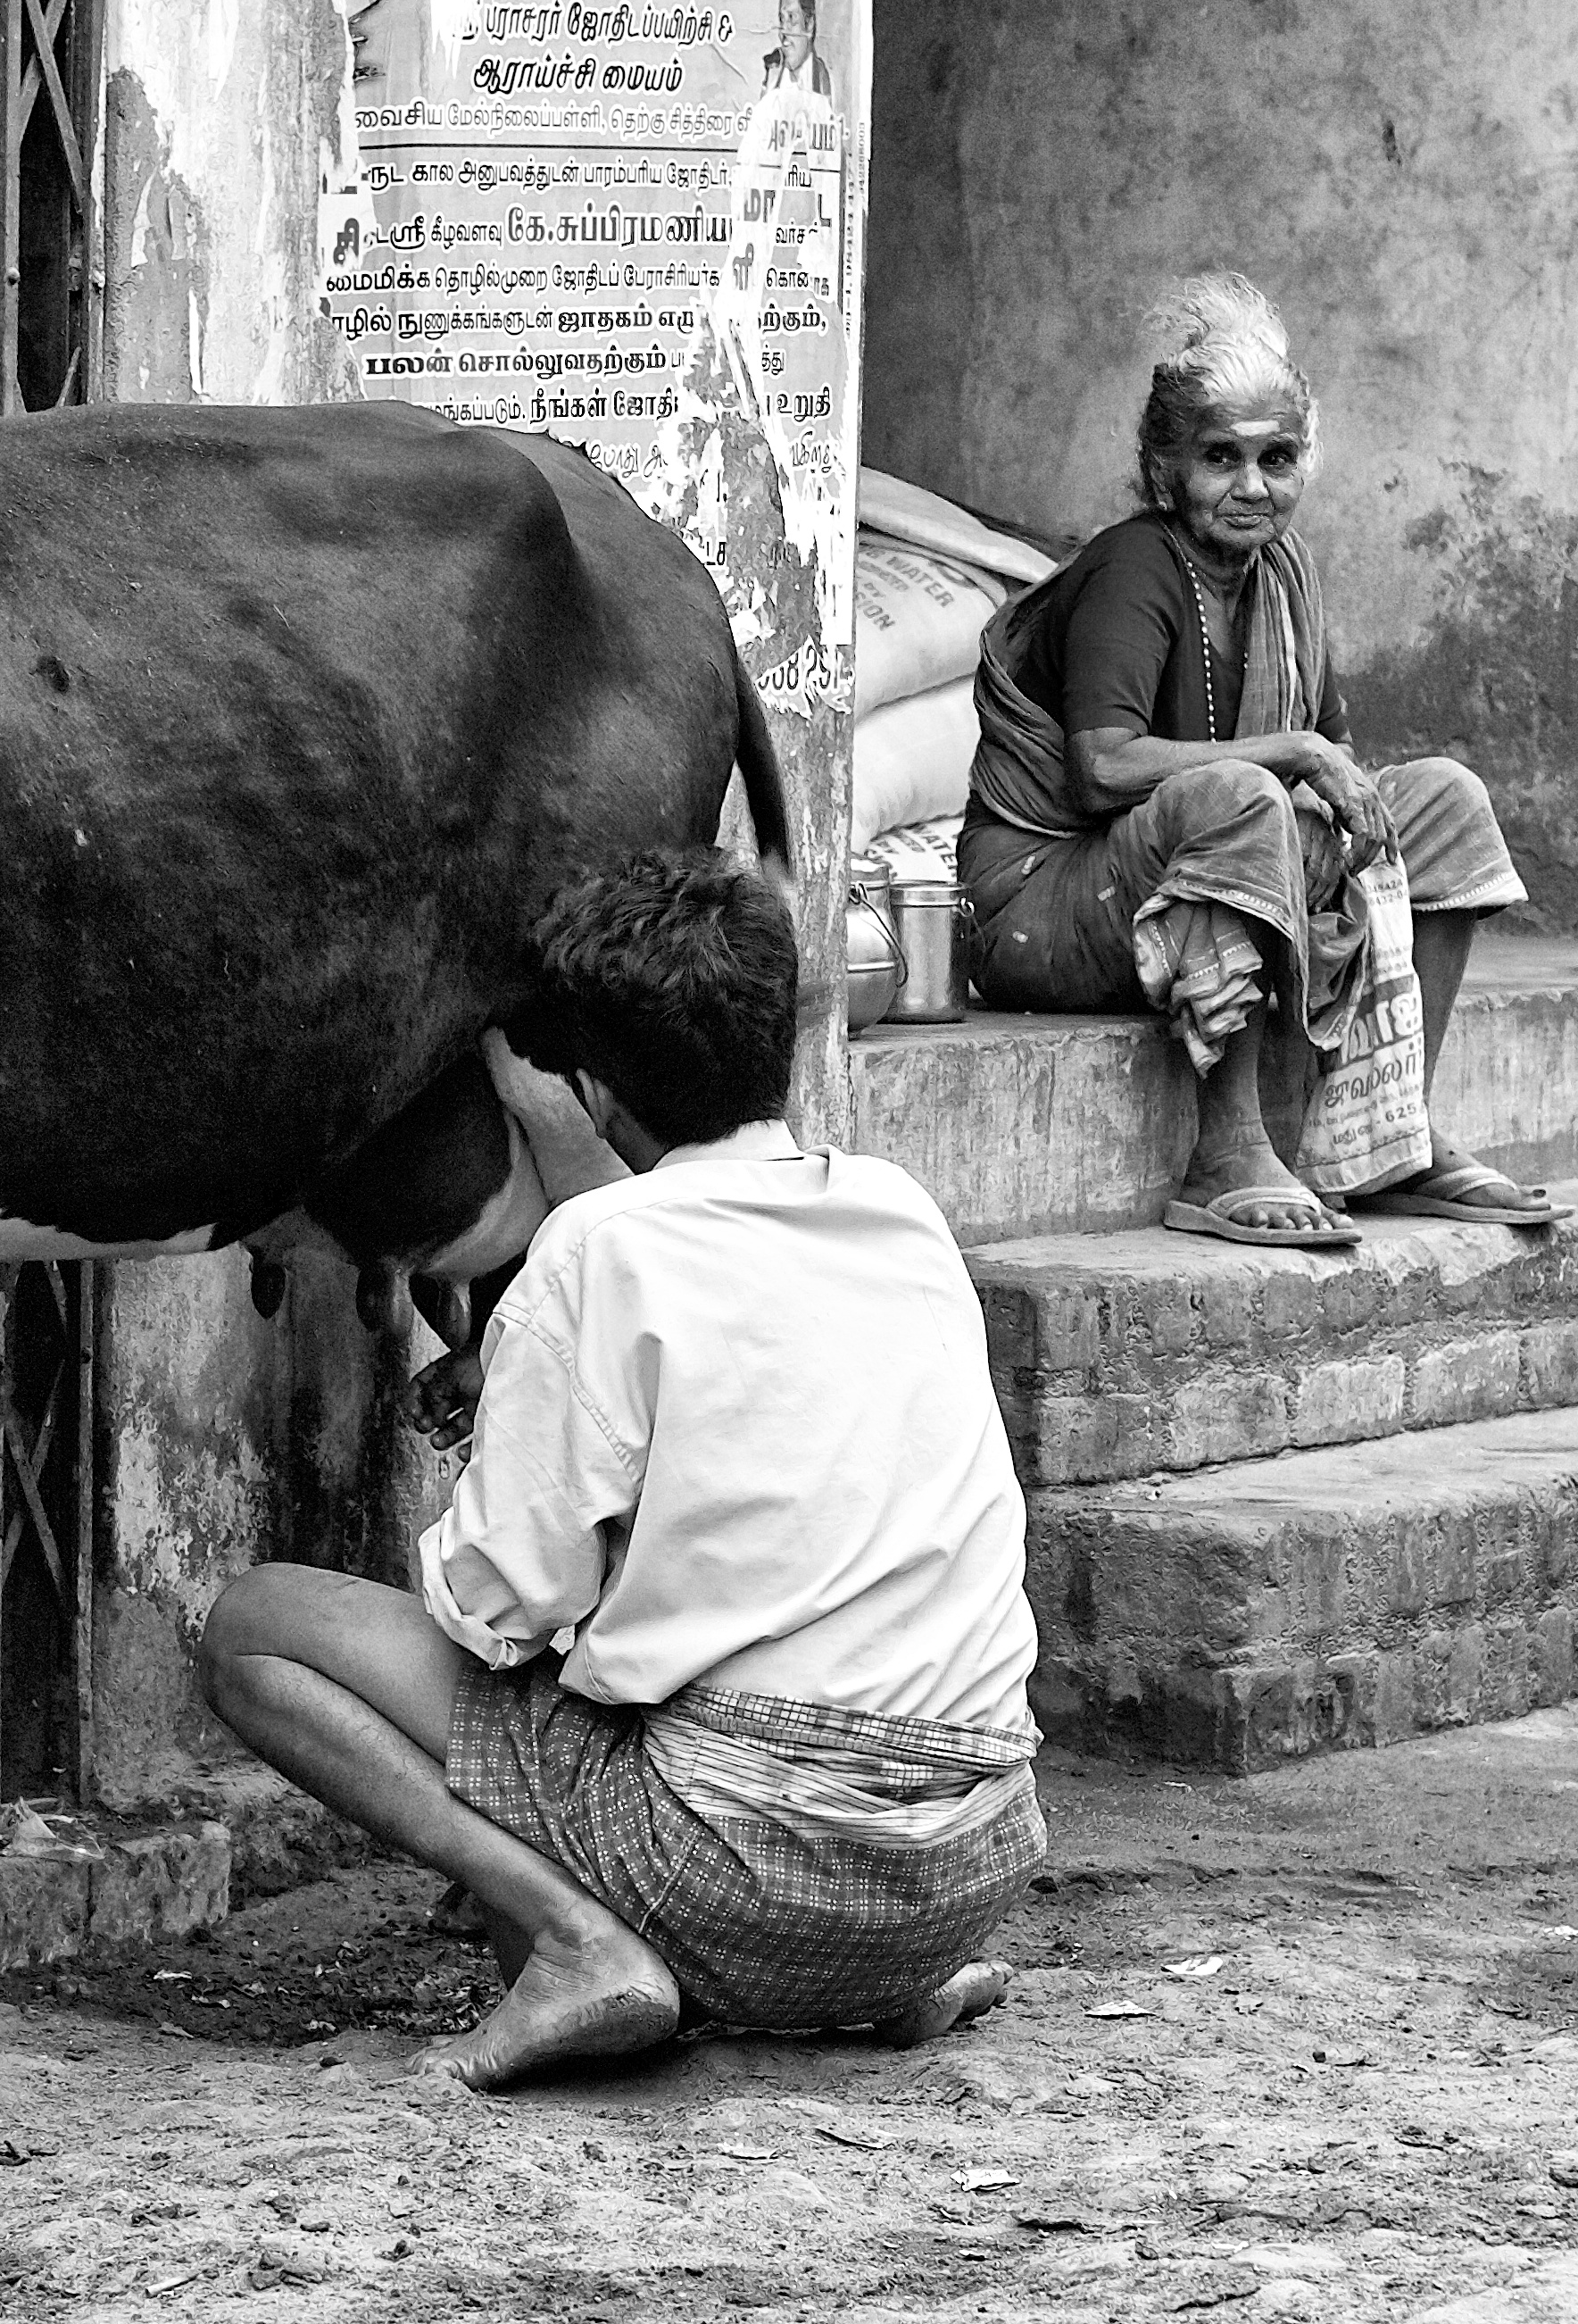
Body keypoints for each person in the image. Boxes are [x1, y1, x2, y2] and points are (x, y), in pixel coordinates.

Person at [198, 852, 1043, 2090]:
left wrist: (523, 1465)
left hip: (754, 1869)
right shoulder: (901, 1209)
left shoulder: (596, 1246)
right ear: (788, 1039)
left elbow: (496, 1607)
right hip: (970, 1864)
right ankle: (873, 1982)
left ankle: (579, 1942)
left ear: (588, 1092)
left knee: (254, 1625)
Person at [959, 272, 1563, 1247]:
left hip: (1183, 864)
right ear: (1165, 465)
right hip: (1044, 905)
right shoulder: (1134, 566)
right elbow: (1102, 770)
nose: (1252, 486)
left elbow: (1330, 756)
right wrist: (1294, 755)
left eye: (1277, 458)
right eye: (1220, 458)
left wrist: (1340, 803)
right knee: (1241, 797)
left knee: (1444, 800)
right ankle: (1225, 1151)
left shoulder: (1285, 573)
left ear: (1305, 462)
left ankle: (1392, 1137)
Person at [760, 0, 829, 96]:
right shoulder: (773, 72)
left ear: (809, 24)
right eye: (782, 19)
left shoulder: (823, 80)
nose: (783, 31)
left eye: (791, 18)